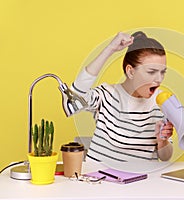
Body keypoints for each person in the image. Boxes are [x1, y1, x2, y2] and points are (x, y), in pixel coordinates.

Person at [71, 31, 173, 164]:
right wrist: (110, 49)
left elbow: (165, 157)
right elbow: (76, 94)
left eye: (162, 72)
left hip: (141, 182)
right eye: (151, 72)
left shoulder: (162, 102)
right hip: (99, 180)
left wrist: (162, 141)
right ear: (130, 71)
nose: (159, 79)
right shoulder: (107, 95)